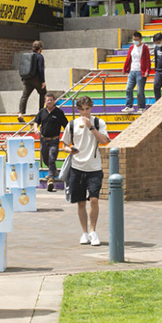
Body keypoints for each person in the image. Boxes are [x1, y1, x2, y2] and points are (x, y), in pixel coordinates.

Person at [62, 96, 109, 246]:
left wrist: (91, 127)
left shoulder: (98, 122)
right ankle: (84, 233)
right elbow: (63, 145)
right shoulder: (72, 125)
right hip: (77, 168)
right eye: (82, 109)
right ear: (78, 109)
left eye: (87, 109)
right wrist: (70, 149)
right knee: (80, 202)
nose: (85, 112)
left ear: (91, 107)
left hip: (94, 168)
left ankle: (93, 231)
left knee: (94, 199)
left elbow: (104, 140)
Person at [32, 93, 68, 192]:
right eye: (47, 100)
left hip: (54, 140)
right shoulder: (42, 112)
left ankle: (51, 180)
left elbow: (66, 125)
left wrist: (68, 136)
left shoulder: (59, 112)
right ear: (45, 102)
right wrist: (36, 129)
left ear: (54, 101)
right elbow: (36, 122)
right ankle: (54, 172)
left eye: (51, 100)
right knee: (45, 159)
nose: (49, 102)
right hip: (44, 139)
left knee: (52, 158)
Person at [17, 40, 46, 122]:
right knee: (43, 93)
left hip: (27, 79)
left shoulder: (27, 56)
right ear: (40, 48)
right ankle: (41, 112)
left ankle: (20, 114)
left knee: (24, 96)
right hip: (36, 79)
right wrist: (43, 81)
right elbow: (41, 69)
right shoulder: (39, 56)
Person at [122, 32, 150, 114]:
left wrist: (147, 70)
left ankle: (141, 107)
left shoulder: (144, 48)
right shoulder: (131, 47)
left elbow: (147, 60)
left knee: (140, 91)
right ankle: (129, 106)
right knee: (128, 89)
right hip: (132, 71)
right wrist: (125, 68)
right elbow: (128, 58)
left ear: (140, 39)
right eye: (134, 40)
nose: (135, 41)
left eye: (137, 40)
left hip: (140, 71)